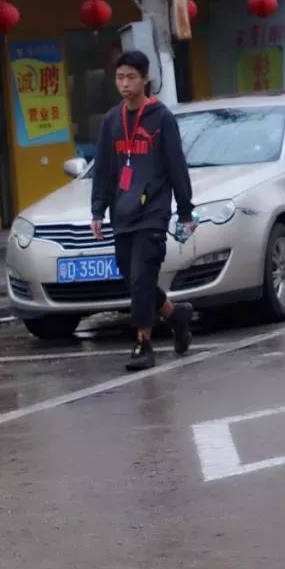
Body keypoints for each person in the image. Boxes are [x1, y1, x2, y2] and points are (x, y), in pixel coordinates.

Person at [90, 49, 195, 371]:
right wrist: (98, 211)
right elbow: (105, 169)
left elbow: (177, 166)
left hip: (154, 211)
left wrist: (185, 211)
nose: (124, 83)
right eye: (120, 77)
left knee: (142, 276)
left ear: (145, 79)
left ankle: (143, 344)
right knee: (133, 277)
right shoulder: (111, 121)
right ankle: (175, 315)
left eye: (131, 77)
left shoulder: (161, 118)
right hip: (122, 211)